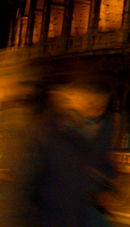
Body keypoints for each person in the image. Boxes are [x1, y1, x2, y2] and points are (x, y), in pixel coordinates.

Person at [9, 71, 122, 227]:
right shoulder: (44, 131)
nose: (95, 108)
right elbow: (25, 184)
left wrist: (109, 189)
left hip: (86, 210)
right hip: (53, 213)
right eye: (89, 100)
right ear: (73, 97)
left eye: (101, 103)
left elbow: (103, 163)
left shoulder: (104, 125)